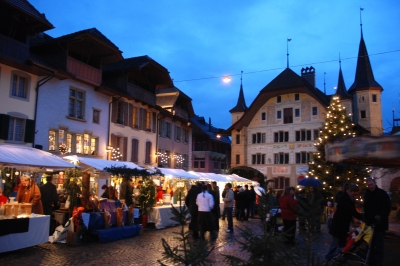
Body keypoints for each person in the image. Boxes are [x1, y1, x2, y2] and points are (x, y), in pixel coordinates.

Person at [323, 183, 363, 264]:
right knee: (335, 243)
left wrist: (360, 217)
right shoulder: (344, 198)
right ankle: (328, 258)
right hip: (338, 225)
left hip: (343, 225)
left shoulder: (350, 198)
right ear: (349, 190)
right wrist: (361, 217)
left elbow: (352, 211)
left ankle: (340, 258)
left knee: (342, 242)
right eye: (353, 192)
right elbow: (351, 211)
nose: (354, 194)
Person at [363, 177, 391, 266]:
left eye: (371, 184)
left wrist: (380, 216)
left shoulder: (382, 193)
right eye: (368, 185)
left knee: (379, 244)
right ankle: (370, 261)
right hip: (370, 223)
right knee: (370, 244)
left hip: (380, 223)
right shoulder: (367, 194)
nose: (370, 186)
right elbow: (366, 207)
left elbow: (387, 207)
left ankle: (379, 262)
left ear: (374, 183)